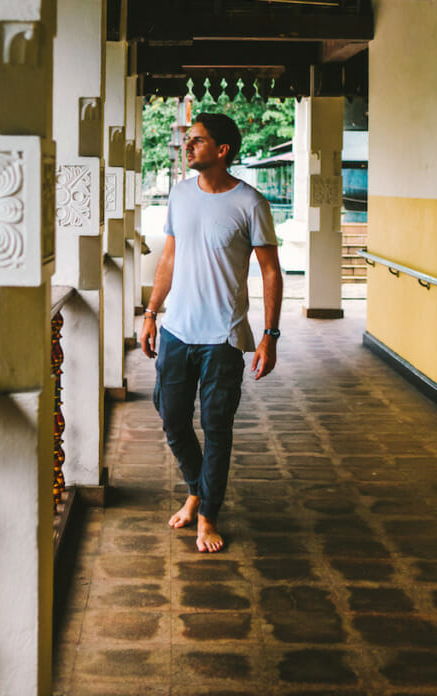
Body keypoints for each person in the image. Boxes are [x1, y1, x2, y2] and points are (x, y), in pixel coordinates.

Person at [140, 112, 283, 553]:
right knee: (172, 418)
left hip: (223, 337)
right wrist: (150, 312)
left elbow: (271, 272)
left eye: (198, 140)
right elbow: (168, 259)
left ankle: (206, 516)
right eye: (189, 139)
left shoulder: (250, 203)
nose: (189, 145)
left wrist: (269, 336)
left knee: (217, 427)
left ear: (222, 150)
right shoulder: (180, 196)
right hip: (177, 332)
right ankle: (197, 488)